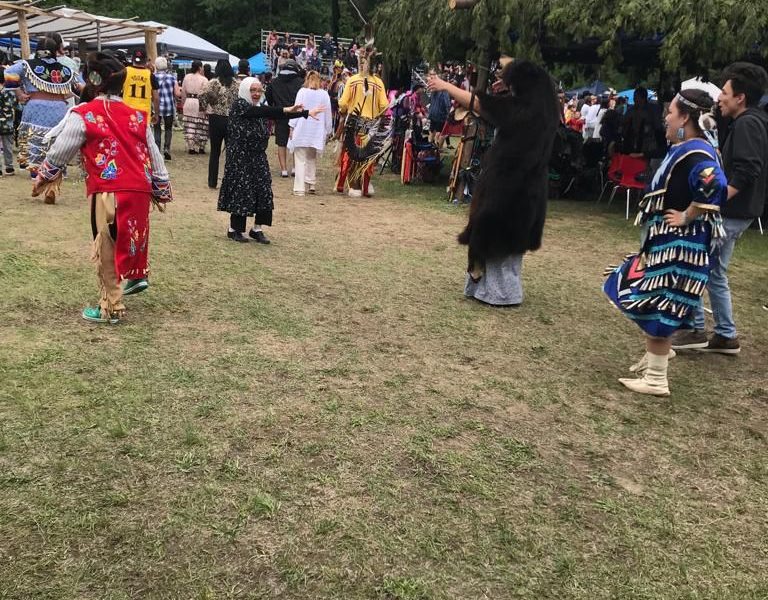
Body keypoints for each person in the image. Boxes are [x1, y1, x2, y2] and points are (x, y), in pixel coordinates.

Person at [603, 89, 727, 396]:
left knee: (658, 303)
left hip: (680, 248)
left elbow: (715, 185)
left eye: (670, 113)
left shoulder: (698, 152)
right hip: (666, 244)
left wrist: (686, 216)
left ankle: (657, 378)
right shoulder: (688, 147)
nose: (666, 118)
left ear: (685, 117)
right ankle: (658, 354)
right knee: (630, 286)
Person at [33, 51, 172, 324]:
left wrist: (43, 176)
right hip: (139, 189)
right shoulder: (136, 116)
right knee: (131, 236)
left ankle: (111, 306)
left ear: (92, 81)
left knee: (106, 243)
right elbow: (154, 153)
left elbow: (62, 149)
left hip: (109, 190)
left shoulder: (85, 113)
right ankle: (135, 276)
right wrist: (161, 187)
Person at [428, 59, 559, 307]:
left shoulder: (522, 111)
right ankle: (495, 289)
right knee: (511, 242)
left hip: (508, 185)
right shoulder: (547, 112)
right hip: (531, 187)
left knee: (495, 236)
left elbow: (478, 103)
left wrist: (445, 85)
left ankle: (500, 293)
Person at [671, 63, 768, 354]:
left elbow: (748, 168)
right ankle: (725, 334)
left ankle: (694, 328)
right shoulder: (750, 120)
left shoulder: (749, 123)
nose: (719, 98)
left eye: (724, 92)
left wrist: (717, 197)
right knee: (715, 272)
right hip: (740, 212)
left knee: (695, 263)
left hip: (732, 212)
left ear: (740, 97)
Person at [217, 77, 323, 243]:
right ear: (245, 90)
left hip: (258, 155)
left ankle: (257, 228)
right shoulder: (240, 105)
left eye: (259, 91)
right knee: (241, 190)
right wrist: (288, 109)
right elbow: (267, 112)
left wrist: (304, 112)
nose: (257, 94)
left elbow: (271, 113)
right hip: (240, 157)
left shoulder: (259, 108)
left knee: (263, 190)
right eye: (253, 90)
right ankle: (234, 229)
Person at [2, 37, 76, 183]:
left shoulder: (25, 65)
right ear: (55, 51)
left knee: (35, 139)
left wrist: (19, 94)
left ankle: (36, 174)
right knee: (57, 141)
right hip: (59, 108)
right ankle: (57, 170)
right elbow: (80, 86)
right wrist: (63, 95)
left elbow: (7, 73)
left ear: (37, 50)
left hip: (35, 106)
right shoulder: (66, 69)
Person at [336, 46, 388, 197]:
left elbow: (343, 103)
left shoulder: (353, 80)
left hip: (354, 123)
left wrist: (343, 110)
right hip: (369, 125)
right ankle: (364, 186)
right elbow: (384, 106)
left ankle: (353, 186)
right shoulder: (377, 82)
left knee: (352, 154)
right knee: (367, 155)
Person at [288, 70, 333, 196]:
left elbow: (296, 110)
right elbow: (328, 114)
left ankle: (299, 187)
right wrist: (328, 130)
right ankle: (311, 182)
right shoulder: (324, 95)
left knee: (300, 159)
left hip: (302, 129)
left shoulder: (302, 92)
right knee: (311, 158)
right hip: (316, 131)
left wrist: (291, 126)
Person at [199, 59, 239, 189]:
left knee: (215, 152)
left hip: (215, 118)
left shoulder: (213, 83)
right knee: (231, 152)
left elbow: (201, 95)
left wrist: (206, 106)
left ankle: (212, 181)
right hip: (232, 119)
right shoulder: (236, 84)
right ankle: (230, 180)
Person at [265, 59, 304, 177]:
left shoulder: (274, 82)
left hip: (280, 114)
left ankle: (283, 170)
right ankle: (295, 168)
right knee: (296, 141)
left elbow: (268, 98)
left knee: (281, 143)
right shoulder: (301, 82)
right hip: (297, 115)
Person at [153, 56, 180, 160]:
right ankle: (167, 149)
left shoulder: (152, 77)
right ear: (166, 66)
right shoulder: (172, 77)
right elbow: (177, 93)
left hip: (156, 107)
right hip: (168, 106)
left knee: (157, 128)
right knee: (168, 128)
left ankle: (157, 149)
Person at [122, 49, 159, 124]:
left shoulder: (125, 71)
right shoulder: (150, 75)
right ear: (145, 60)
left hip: (127, 112)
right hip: (144, 114)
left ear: (133, 59)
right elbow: (156, 98)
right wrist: (156, 114)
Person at [181, 60, 209, 154]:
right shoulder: (204, 79)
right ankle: (201, 147)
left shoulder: (186, 77)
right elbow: (205, 94)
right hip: (199, 102)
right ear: (200, 68)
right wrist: (206, 106)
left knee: (190, 123)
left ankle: (191, 147)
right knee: (202, 124)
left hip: (188, 101)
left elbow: (183, 92)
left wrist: (183, 103)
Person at [0, 70, 17, 175]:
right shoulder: (10, 92)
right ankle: (9, 167)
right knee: (8, 146)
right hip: (7, 123)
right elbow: (14, 105)